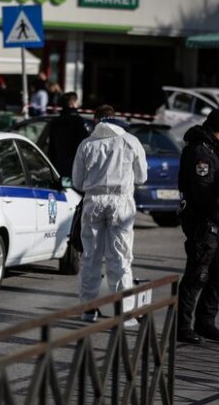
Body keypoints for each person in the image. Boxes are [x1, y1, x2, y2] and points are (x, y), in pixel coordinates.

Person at [72, 104, 148, 323]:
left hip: (93, 200)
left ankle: (88, 310)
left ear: (96, 120)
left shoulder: (87, 144)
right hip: (121, 202)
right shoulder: (130, 141)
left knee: (90, 257)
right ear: (114, 118)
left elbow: (77, 181)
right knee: (120, 258)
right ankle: (125, 313)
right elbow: (142, 177)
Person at [176, 109, 219, 344]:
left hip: (213, 220)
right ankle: (183, 327)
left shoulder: (214, 148)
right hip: (202, 221)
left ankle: (205, 322)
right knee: (197, 274)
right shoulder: (200, 152)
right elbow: (202, 195)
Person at [47, 92, 89, 177]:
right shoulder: (79, 121)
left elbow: (51, 147)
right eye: (77, 102)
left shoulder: (55, 122)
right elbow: (85, 144)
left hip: (59, 165)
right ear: (73, 104)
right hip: (76, 165)